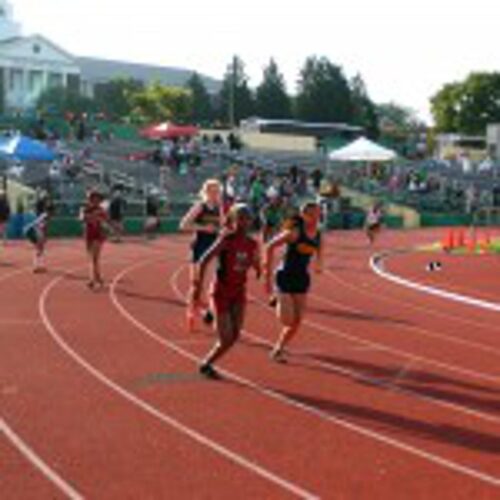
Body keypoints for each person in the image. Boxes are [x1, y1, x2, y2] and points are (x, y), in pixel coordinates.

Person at [193, 204, 260, 379]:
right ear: (232, 220)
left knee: (235, 335)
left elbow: (253, 259)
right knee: (226, 338)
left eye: (247, 218)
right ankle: (206, 362)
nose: (244, 222)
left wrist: (259, 268)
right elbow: (204, 260)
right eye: (240, 218)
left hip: (238, 292)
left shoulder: (252, 243)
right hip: (220, 291)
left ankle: (206, 364)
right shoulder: (226, 240)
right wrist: (198, 288)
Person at [264, 202, 323, 362]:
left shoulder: (318, 234)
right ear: (305, 215)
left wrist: (320, 264)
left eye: (319, 214)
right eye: (314, 214)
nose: (317, 217)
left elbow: (320, 251)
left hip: (302, 279)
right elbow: (269, 246)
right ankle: (277, 298)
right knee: (286, 319)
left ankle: (279, 348)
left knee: (297, 321)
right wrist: (266, 274)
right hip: (285, 276)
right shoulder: (294, 232)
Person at [179, 179, 224, 331]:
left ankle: (211, 313)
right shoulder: (200, 206)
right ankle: (191, 311)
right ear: (206, 192)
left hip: (214, 248)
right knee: (196, 284)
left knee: (214, 283)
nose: (215, 194)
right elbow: (183, 224)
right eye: (212, 191)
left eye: (217, 191)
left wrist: (223, 231)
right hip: (199, 247)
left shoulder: (220, 208)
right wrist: (204, 228)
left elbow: (223, 227)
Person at [80, 190, 117, 289]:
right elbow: (81, 218)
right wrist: (92, 216)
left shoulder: (101, 209)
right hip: (88, 234)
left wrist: (111, 227)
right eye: (94, 198)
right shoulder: (85, 208)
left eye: (98, 198)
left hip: (98, 235)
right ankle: (98, 278)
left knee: (94, 258)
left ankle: (92, 280)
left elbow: (107, 220)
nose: (96, 200)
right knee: (91, 258)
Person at [25, 192, 54, 273]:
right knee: (39, 249)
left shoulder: (45, 215)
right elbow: (41, 226)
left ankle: (39, 266)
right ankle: (37, 266)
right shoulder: (46, 215)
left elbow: (41, 225)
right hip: (34, 231)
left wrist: (44, 236)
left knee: (39, 249)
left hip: (33, 230)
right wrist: (43, 236)